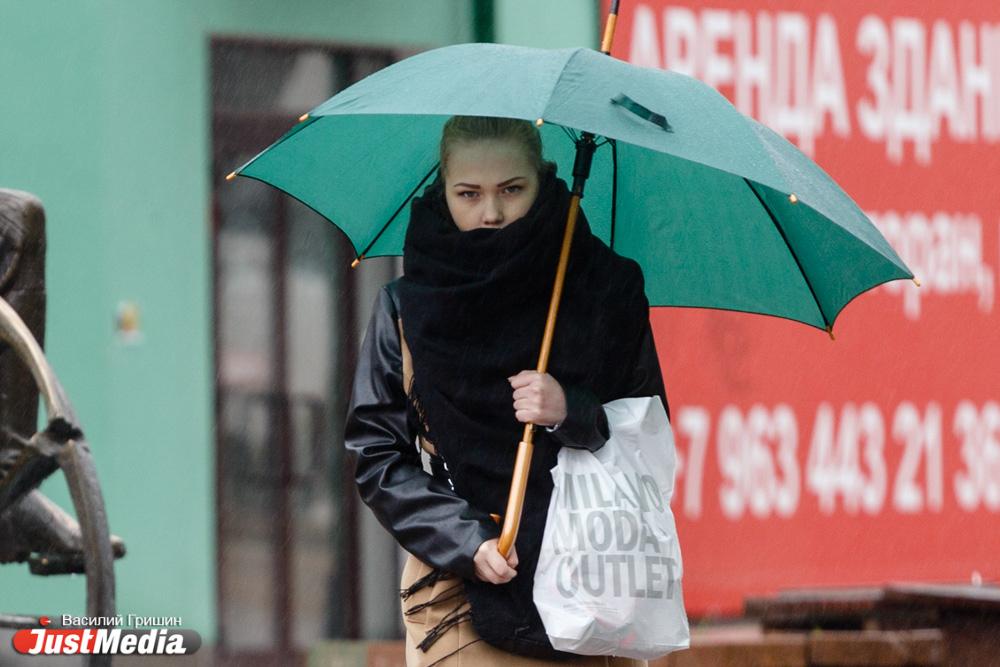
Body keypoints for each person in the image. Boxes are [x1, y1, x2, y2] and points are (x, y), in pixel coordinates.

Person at [345, 116, 668, 666]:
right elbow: (376, 454)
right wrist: (462, 536)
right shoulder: (406, 306)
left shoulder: (606, 288)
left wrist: (573, 410)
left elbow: (650, 432)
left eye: (511, 190)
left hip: (592, 586)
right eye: (468, 194)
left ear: (543, 180)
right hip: (459, 593)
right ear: (442, 190)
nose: (490, 213)